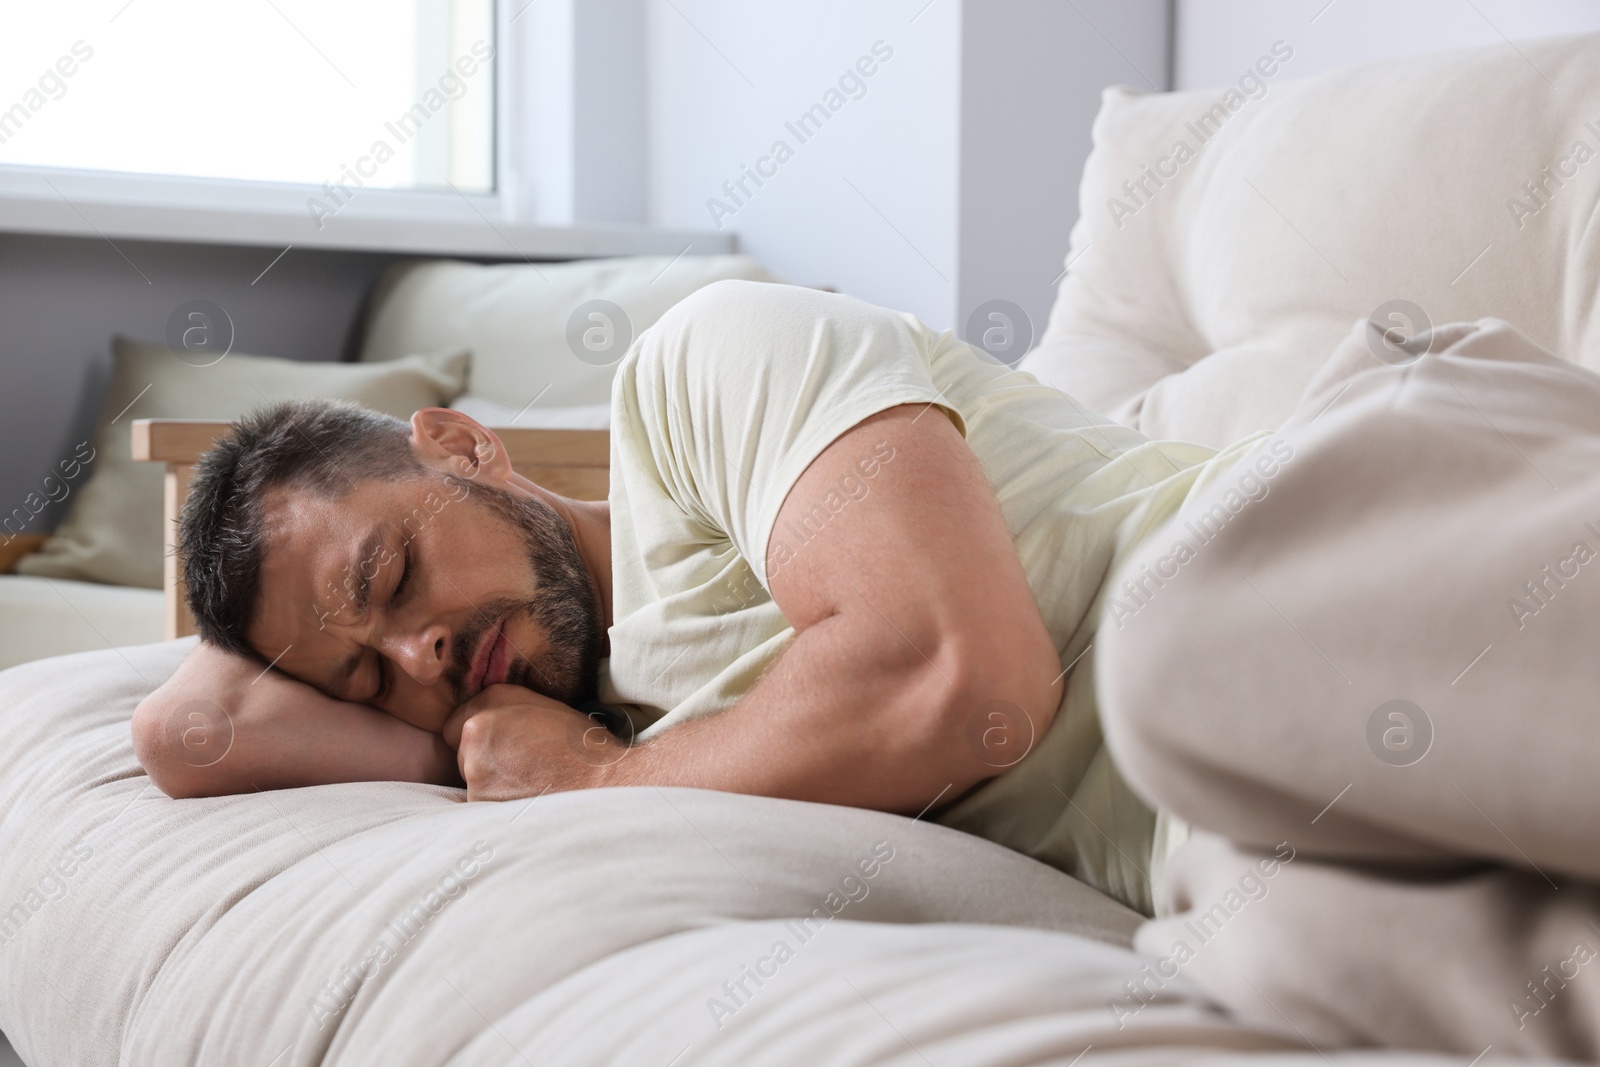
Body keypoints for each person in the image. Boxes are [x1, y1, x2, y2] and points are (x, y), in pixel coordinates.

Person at [132, 280, 1261, 917]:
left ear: (465, 444)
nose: (417, 654)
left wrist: (596, 779)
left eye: (391, 577)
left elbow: (959, 679)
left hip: (1279, 575)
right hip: (1265, 828)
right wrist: (483, 738)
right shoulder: (615, 716)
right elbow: (185, 734)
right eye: (369, 678)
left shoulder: (696, 374)